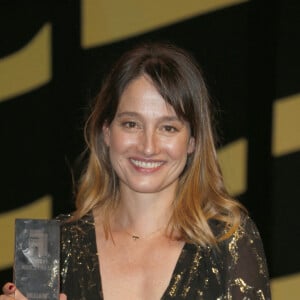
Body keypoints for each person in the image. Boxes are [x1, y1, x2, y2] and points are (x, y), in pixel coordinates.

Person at [1, 42, 271, 299]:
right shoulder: (51, 247)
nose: (148, 147)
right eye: (131, 124)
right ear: (106, 131)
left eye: (168, 128)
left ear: (192, 141)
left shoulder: (229, 242)